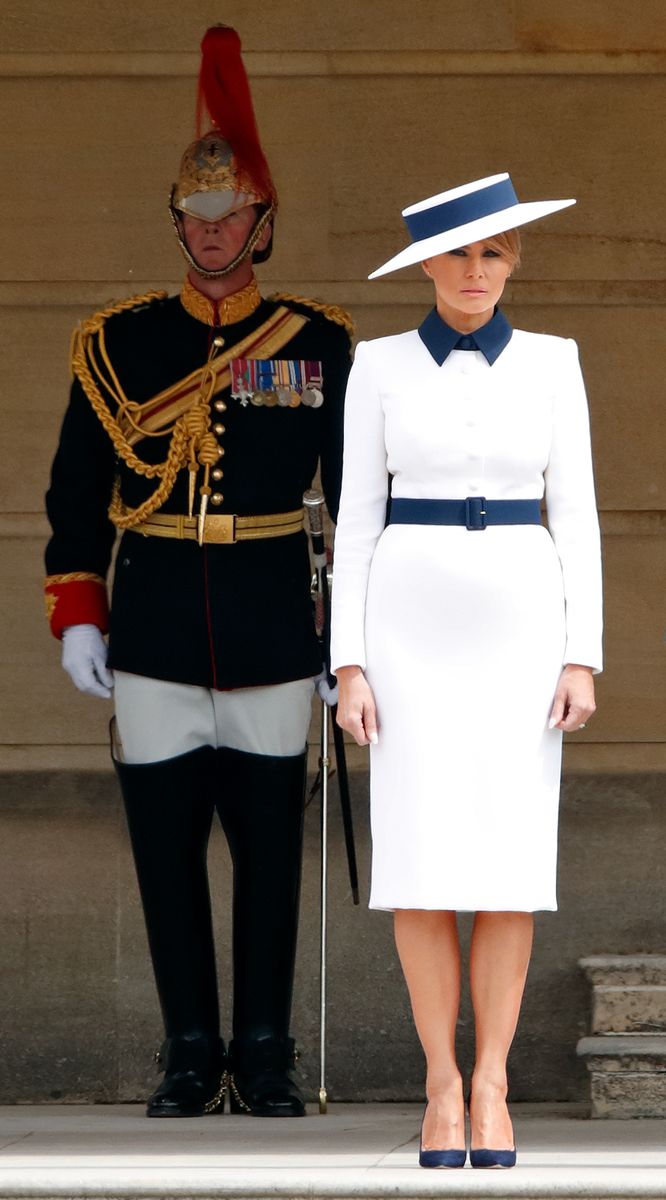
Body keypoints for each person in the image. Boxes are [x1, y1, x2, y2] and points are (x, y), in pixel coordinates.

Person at [44, 25, 352, 1118]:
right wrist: (81, 612)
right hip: (159, 621)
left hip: (272, 618)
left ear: (261, 220)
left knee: (272, 854)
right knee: (166, 857)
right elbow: (75, 494)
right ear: (175, 221)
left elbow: (354, 504)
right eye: (196, 217)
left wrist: (345, 638)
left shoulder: (317, 342)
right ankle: (188, 1052)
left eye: (231, 217)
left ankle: (263, 1054)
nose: (213, 234)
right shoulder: (115, 345)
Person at [330, 173, 602, 1168]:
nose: (475, 271)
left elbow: (573, 513)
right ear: (426, 266)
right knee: (419, 866)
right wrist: (348, 662)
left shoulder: (555, 362)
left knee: (507, 869)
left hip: (523, 629)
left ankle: (491, 1083)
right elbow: (356, 519)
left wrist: (583, 653)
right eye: (457, 254)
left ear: (514, 260)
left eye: (493, 253)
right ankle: (438, 1088)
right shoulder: (379, 365)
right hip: (407, 630)